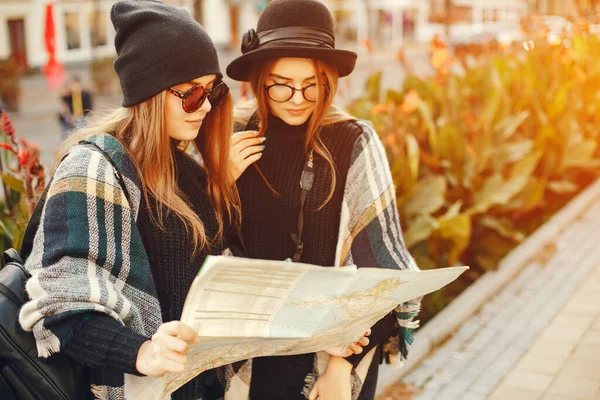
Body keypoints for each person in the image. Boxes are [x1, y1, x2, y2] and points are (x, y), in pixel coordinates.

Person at [19, 1, 237, 399]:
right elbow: (63, 302)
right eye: (190, 94)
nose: (205, 105)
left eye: (213, 90)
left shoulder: (185, 168)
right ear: (150, 91)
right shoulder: (92, 168)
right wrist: (142, 351)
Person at [225, 0, 421, 399]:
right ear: (259, 79)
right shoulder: (231, 136)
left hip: (330, 359)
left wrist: (340, 367)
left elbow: (382, 272)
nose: (297, 98)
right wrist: (219, 181)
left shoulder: (353, 141)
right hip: (246, 359)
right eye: (281, 83)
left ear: (329, 80)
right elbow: (192, 246)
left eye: (311, 83)